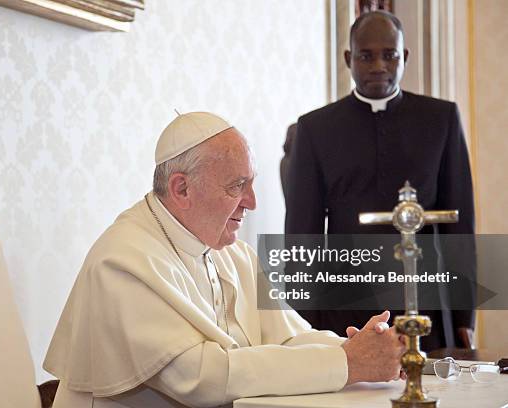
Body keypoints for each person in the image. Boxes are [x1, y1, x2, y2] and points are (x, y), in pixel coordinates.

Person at [44, 112, 405, 408]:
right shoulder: (123, 260)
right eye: (237, 186)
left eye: (251, 184)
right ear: (181, 189)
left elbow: (289, 338)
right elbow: (200, 379)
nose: (252, 202)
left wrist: (364, 350)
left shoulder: (231, 251)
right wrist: (348, 363)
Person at [284, 11, 475, 351]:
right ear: (348, 58)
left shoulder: (440, 119)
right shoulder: (316, 129)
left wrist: (464, 317)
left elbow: (459, 228)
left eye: (389, 55)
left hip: (426, 301)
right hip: (346, 302)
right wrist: (301, 321)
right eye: (365, 55)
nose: (378, 66)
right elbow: (303, 236)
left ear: (405, 57)